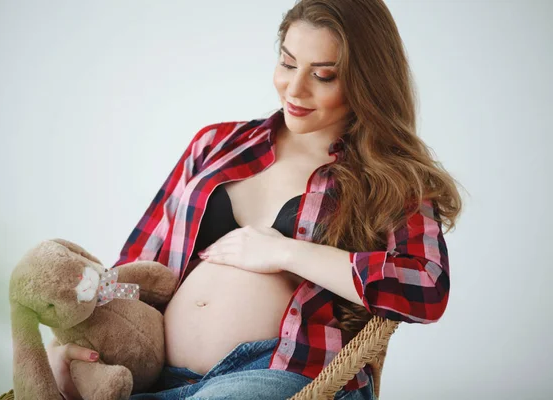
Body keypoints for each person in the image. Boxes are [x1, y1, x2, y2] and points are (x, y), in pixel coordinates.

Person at [46, 0, 463, 399]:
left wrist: (285, 252)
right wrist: (81, 344)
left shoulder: (390, 177)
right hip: (154, 374)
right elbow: (139, 266)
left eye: (324, 75)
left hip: (277, 372)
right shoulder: (215, 144)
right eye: (287, 63)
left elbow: (425, 288)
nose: (294, 88)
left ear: (365, 81)